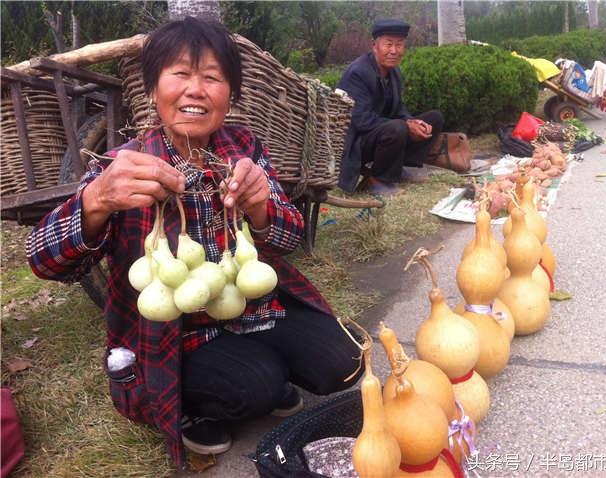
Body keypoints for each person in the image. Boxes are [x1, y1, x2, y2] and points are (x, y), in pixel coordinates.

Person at [26, 17, 362, 468]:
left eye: (212, 77)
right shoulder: (123, 166)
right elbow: (44, 261)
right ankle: (197, 408)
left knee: (345, 360)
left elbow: (287, 238)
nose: (195, 90)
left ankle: (256, 369)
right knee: (257, 386)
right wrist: (97, 199)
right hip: (174, 334)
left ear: (230, 94)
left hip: (254, 310)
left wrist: (262, 205)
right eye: (180, 73)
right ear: (153, 89)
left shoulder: (244, 146)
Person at [337, 19, 444, 196]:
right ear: (374, 45)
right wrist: (404, 125)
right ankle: (377, 180)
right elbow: (361, 120)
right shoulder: (358, 72)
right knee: (397, 127)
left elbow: (397, 107)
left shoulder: (394, 72)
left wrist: (412, 121)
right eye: (388, 44)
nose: (394, 51)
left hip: (384, 134)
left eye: (399, 45)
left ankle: (398, 168)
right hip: (356, 143)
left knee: (434, 119)